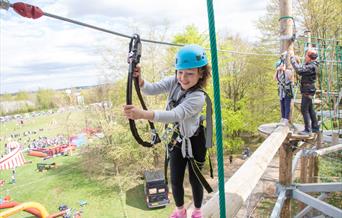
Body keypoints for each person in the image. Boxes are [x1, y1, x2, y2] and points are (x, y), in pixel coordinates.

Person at [123, 44, 211, 218]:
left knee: (196, 179)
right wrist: (140, 80)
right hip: (177, 140)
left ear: (200, 73)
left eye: (189, 73)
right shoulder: (174, 82)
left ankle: (198, 211)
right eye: (180, 72)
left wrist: (142, 114)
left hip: (195, 140)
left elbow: (174, 114)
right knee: (175, 179)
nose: (183, 78)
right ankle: (180, 211)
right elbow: (151, 89)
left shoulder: (198, 97)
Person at [290, 49, 319, 135]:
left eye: (306, 56)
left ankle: (308, 130)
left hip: (308, 90)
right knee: (310, 109)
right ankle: (315, 127)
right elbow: (302, 68)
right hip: (308, 89)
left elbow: (299, 70)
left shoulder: (311, 66)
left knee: (304, 109)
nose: (305, 57)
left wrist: (292, 59)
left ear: (310, 58)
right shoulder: (311, 65)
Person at [274, 59, 294, 126]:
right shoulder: (278, 72)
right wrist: (277, 70)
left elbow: (291, 77)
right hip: (281, 91)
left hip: (287, 91)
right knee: (282, 104)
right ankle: (282, 118)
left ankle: (286, 119)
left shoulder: (288, 71)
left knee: (287, 105)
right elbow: (274, 78)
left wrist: (284, 70)